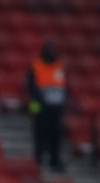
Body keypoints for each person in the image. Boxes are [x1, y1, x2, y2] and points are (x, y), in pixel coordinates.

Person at [27, 41, 67, 172]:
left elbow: (62, 85)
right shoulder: (35, 66)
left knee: (56, 133)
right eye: (50, 50)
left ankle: (54, 160)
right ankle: (37, 159)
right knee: (39, 131)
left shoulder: (59, 67)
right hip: (38, 104)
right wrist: (40, 99)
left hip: (55, 105)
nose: (52, 52)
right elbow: (31, 87)